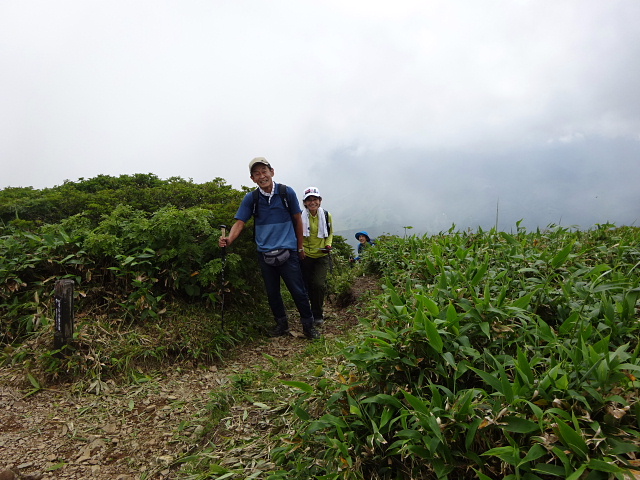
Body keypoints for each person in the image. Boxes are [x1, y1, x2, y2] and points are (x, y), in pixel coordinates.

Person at [218, 157, 320, 340]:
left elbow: (297, 220)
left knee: (298, 290)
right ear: (252, 178)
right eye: (257, 173)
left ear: (272, 172)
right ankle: (281, 325)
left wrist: (299, 247)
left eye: (264, 171)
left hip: (288, 251)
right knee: (272, 292)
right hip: (264, 253)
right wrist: (229, 239)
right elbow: (240, 222)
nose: (262, 176)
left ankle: (309, 326)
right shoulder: (252, 198)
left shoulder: (286, 192)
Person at [300, 187, 334, 327]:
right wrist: (300, 249)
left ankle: (318, 314)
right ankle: (307, 314)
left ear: (320, 201)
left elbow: (330, 233)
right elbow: (297, 234)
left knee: (318, 285)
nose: (312, 202)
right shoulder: (300, 217)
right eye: (309, 200)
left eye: (315, 199)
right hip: (305, 255)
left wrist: (328, 244)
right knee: (307, 286)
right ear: (305, 203)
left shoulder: (326, 215)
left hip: (321, 255)